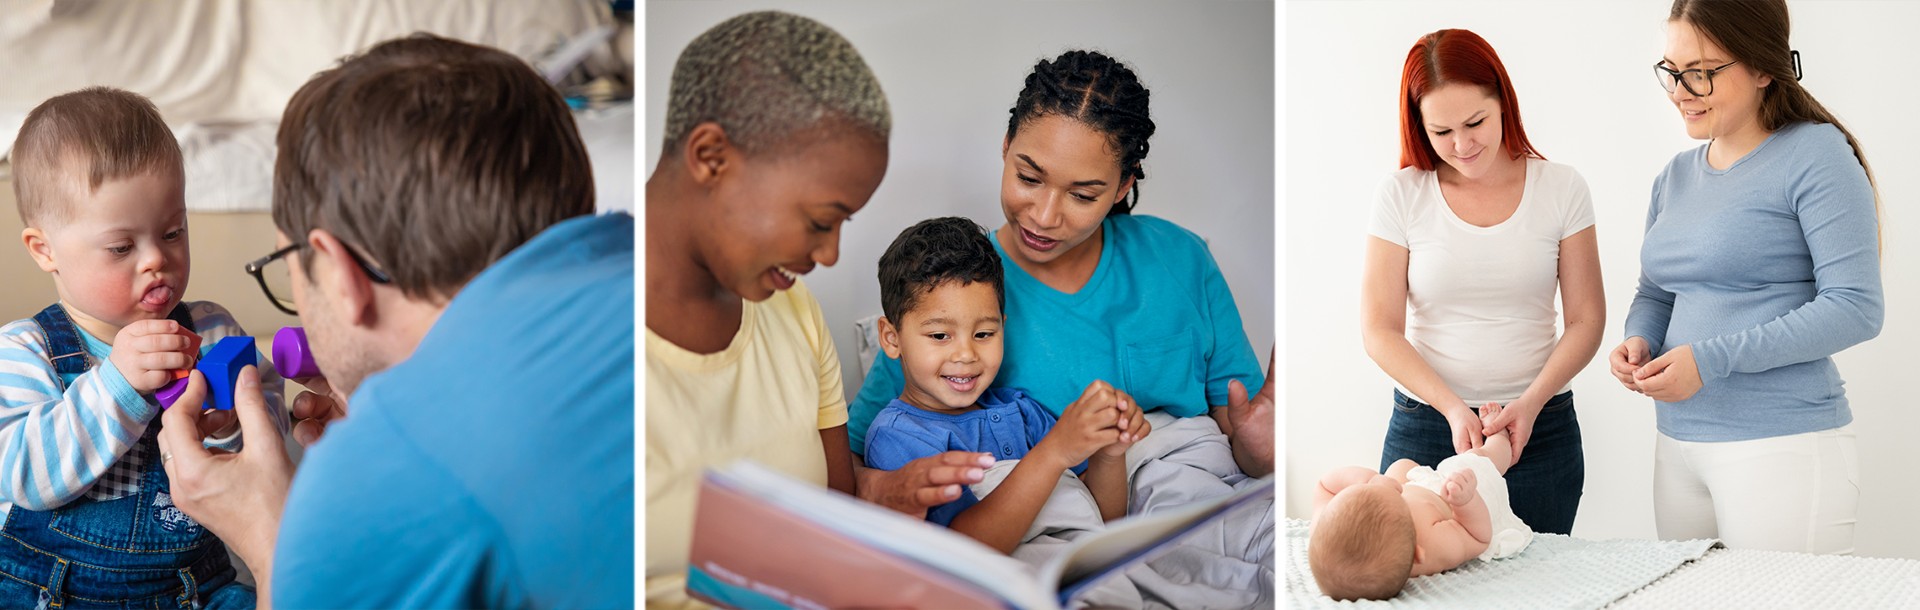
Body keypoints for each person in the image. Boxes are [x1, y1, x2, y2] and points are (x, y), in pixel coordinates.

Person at [152, 34, 634, 607]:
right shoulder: (646, 270)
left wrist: (270, 539)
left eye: (288, 265)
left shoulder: (380, 480)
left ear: (335, 271)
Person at [849, 49, 1275, 606]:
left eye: (1082, 194)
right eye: (1029, 177)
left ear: (1122, 186)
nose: (1045, 216)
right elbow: (860, 470)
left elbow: (1238, 447)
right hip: (1065, 529)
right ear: (1005, 149)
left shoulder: (1181, 258)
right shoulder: (953, 289)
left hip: (1187, 487)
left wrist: (1261, 451)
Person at [642, 11, 964, 608]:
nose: (831, 253)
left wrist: (880, 494)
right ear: (711, 156)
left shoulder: (792, 310)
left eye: (843, 224)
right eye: (821, 221)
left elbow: (828, 523)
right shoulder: (594, 344)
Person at [1610, 0, 1881, 554]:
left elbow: (1856, 307)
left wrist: (1709, 361)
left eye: (1702, 73)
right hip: (1677, 444)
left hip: (1782, 444)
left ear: (1763, 69)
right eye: (1672, 70)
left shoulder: (1814, 156)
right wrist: (1638, 339)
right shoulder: (1675, 177)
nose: (1680, 90)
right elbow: (1657, 291)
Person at [2, 86, 287, 609]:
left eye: (173, 232)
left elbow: (268, 427)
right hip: (55, 590)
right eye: (122, 247)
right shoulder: (26, 349)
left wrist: (230, 426)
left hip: (195, 587)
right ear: (45, 250)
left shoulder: (209, 328)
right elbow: (25, 477)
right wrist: (119, 383)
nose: (157, 259)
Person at [1360, 29, 1603, 536]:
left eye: (1475, 122)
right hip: (1428, 428)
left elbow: (1586, 319)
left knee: (1539, 585)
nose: (1463, 145)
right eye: (1441, 131)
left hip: (1540, 430)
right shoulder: (1401, 195)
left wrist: (1530, 403)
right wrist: (1452, 407)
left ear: (1503, 103)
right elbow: (1379, 329)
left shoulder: (1562, 188)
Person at [863, 217, 1147, 552]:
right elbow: (967, 551)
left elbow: (1102, 521)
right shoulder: (898, 439)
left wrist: (1109, 456)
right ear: (891, 338)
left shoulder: (1020, 410)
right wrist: (1053, 451)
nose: (967, 355)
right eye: (940, 335)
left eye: (984, 334)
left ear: (1003, 327)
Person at [1308, 403, 1531, 601]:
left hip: (1417, 484)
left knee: (1396, 469)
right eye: (1397, 497)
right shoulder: (1433, 546)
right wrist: (1466, 500)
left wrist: (1374, 480)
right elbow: (1478, 537)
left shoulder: (1327, 531)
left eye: (1369, 490)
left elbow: (1325, 486)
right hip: (1453, 501)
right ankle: (1498, 437)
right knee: (1483, 460)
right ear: (1417, 554)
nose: (1391, 488)